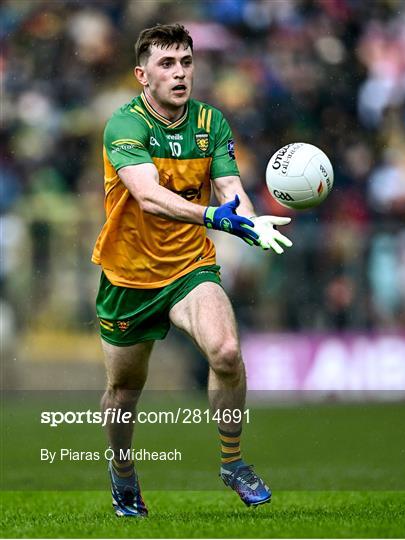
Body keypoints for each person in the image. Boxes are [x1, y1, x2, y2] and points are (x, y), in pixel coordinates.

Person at [92, 23, 293, 517]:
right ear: (143, 75)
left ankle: (232, 462)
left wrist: (249, 222)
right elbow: (148, 195)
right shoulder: (125, 125)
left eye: (185, 62)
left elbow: (230, 191)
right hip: (128, 278)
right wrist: (215, 217)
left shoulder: (211, 123)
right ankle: (123, 477)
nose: (179, 73)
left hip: (189, 266)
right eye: (167, 64)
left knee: (226, 352)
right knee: (123, 391)